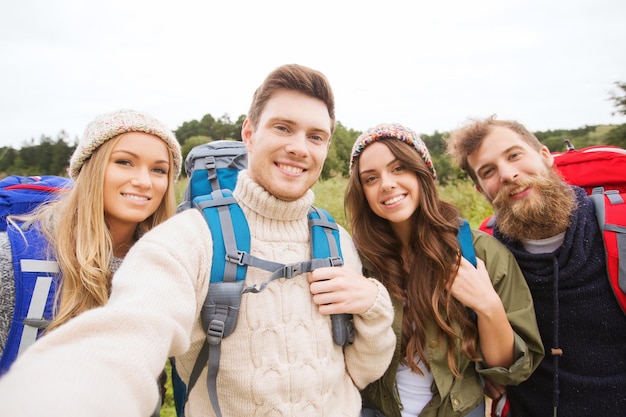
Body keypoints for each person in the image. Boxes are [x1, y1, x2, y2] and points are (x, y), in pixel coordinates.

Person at [0, 64, 396, 417]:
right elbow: (130, 334)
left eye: (316, 136)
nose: (299, 147)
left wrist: (374, 305)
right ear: (249, 134)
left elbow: (362, 369)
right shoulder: (190, 235)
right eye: (282, 127)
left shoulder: (337, 241)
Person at [345, 123, 544, 417]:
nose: (386, 184)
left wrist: (488, 306)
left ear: (423, 173)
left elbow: (508, 371)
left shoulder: (480, 252)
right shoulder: (357, 259)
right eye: (371, 178)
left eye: (398, 168)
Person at [0, 108, 183, 414]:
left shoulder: (162, 271)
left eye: (159, 170)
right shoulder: (14, 259)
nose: (143, 181)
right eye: (124, 162)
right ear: (91, 167)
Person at [445, 115, 626, 416]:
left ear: (546, 156)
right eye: (488, 171)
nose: (507, 174)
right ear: (481, 190)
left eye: (514, 155)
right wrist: (484, 370)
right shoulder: (486, 255)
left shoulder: (618, 232)